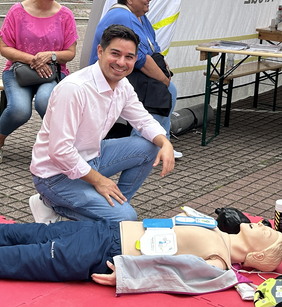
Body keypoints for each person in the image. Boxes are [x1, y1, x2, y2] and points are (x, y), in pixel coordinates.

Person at [0, 199, 282, 295]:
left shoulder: (218, 262)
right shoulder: (216, 228)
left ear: (257, 256)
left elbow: (176, 275)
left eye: (268, 233)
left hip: (101, 255)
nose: (263, 225)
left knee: (17, 259)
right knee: (24, 234)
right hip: (105, 230)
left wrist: (129, 274)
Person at [29, 24, 175, 224]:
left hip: (91, 157)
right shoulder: (74, 89)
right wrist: (100, 181)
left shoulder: (122, 84)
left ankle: (114, 205)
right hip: (55, 175)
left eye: (129, 57)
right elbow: (60, 151)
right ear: (100, 51)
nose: (121, 62)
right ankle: (49, 203)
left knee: (150, 145)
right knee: (125, 219)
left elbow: (143, 119)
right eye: (115, 54)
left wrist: (166, 143)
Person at [0, 0, 78, 164]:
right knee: (19, 109)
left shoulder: (65, 15)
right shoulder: (17, 12)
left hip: (51, 73)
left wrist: (51, 55)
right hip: (18, 70)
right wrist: (34, 60)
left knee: (47, 102)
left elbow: (70, 53)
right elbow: (5, 48)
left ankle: (56, 147)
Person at [88, 0, 182, 158]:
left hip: (123, 71)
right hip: (109, 74)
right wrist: (164, 78)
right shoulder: (124, 16)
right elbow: (140, 59)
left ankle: (161, 142)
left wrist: (164, 68)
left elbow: (153, 47)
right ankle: (145, 147)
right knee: (163, 90)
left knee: (168, 89)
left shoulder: (140, 17)